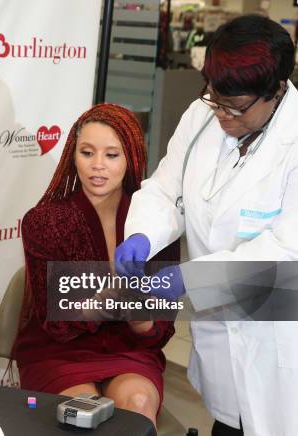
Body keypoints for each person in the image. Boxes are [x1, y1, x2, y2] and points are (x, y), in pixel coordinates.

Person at [114, 15, 298, 436]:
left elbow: (287, 251)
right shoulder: (202, 115)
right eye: (215, 99)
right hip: (222, 338)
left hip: (281, 339)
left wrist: (192, 279)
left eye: (235, 107)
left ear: (276, 91)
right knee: (228, 423)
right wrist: (142, 232)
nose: (222, 115)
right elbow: (167, 190)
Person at [12, 103, 179, 427]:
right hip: (58, 353)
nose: (97, 166)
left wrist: (138, 316)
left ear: (131, 157)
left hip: (128, 351)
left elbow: (160, 329)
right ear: (73, 157)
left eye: (111, 155)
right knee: (77, 414)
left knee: (137, 406)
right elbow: (55, 324)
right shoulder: (44, 221)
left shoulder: (158, 224)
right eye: (87, 153)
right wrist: (98, 306)